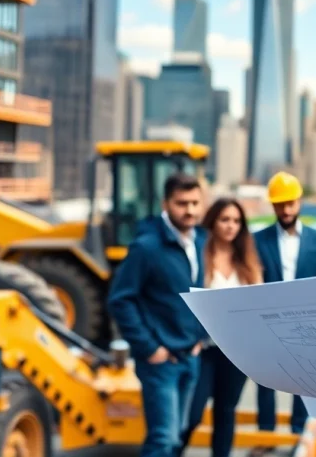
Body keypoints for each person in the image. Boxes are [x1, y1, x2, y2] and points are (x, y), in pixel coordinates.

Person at [107, 172, 209, 457]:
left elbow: (202, 292)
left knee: (177, 438)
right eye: (181, 203)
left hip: (191, 356)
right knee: (162, 441)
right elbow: (120, 300)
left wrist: (200, 338)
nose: (189, 210)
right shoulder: (147, 247)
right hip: (160, 362)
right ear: (166, 204)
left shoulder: (202, 241)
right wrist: (150, 348)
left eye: (194, 203)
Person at [248, 171, 316, 457]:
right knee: (265, 382)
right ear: (272, 206)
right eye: (279, 204)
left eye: (290, 204)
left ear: (299, 202)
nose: (285, 210)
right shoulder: (256, 240)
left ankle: (300, 435)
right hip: (267, 325)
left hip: (305, 324)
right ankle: (266, 436)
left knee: (304, 380)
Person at [182, 197, 264, 456]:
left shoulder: (248, 261)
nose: (231, 226)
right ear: (213, 222)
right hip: (204, 349)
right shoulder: (199, 254)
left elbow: (258, 303)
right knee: (193, 413)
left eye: (237, 221)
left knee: (226, 412)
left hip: (236, 353)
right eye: (225, 219)